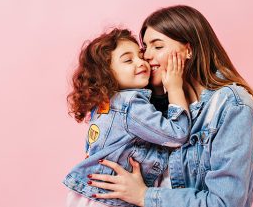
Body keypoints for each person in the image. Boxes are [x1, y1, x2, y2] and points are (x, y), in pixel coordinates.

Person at [87, 5, 253, 207]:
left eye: (158, 46)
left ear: (188, 50)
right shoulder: (156, 104)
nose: (146, 57)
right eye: (145, 48)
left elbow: (224, 203)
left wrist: (143, 195)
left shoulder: (232, 106)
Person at [63, 28, 192, 207]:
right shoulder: (129, 104)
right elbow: (177, 135)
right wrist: (175, 87)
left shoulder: (105, 104)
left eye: (140, 55)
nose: (141, 62)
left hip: (91, 195)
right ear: (106, 73)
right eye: (128, 60)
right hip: (108, 199)